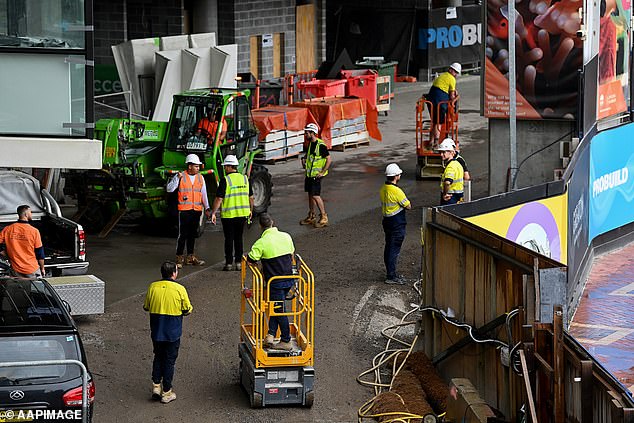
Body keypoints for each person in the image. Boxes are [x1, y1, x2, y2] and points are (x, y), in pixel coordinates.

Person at [143, 261, 193, 404]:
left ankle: (156, 386)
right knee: (169, 361)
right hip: (173, 332)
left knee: (158, 356)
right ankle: (167, 392)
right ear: (174, 273)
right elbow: (187, 309)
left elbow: (146, 306)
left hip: (157, 330)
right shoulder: (180, 289)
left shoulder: (153, 287)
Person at [247, 213, 296, 351]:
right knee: (276, 307)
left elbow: (251, 259)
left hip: (275, 283)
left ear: (261, 226)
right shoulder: (286, 236)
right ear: (272, 222)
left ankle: (286, 340)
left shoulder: (261, 243)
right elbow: (292, 254)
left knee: (279, 310)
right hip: (289, 280)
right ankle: (270, 334)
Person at [166, 154, 211, 268]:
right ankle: (179, 257)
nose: (198, 168)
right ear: (189, 166)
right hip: (184, 211)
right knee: (183, 234)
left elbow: (204, 194)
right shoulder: (181, 176)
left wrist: (207, 208)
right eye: (196, 166)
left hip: (196, 210)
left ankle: (190, 256)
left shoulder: (201, 178)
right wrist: (176, 178)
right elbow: (169, 189)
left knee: (192, 234)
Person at [210, 155, 254, 271]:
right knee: (239, 238)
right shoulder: (245, 179)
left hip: (228, 216)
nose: (225, 169)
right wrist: (251, 210)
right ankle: (238, 263)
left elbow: (219, 198)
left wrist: (213, 213)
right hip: (242, 214)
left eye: (226, 167)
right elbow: (251, 197)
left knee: (229, 239)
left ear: (230, 167)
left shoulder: (225, 180)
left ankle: (229, 263)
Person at [380, 164, 411, 285]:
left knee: (389, 247)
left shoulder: (383, 188)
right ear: (396, 176)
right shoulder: (397, 191)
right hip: (397, 223)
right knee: (394, 249)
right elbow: (408, 206)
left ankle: (390, 272)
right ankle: (391, 276)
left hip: (387, 221)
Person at [299, 123, 332, 228]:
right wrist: (304, 161)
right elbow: (310, 157)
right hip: (309, 175)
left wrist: (322, 172)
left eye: (307, 132)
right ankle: (311, 215)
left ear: (312, 133)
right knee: (310, 195)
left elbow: (329, 160)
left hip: (316, 176)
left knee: (316, 196)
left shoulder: (320, 145)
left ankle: (324, 216)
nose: (305, 134)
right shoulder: (310, 144)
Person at [0, 205, 45, 278]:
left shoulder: (8, 229)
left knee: (19, 289)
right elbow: (40, 253)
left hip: (15, 270)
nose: (31, 214)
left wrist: (7, 255)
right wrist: (42, 268)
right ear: (26, 214)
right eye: (30, 212)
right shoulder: (34, 231)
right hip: (31, 270)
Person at [427, 63, 461, 146]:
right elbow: (452, 96)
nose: (455, 74)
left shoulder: (442, 76)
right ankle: (436, 142)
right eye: (455, 72)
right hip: (440, 101)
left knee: (434, 121)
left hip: (430, 99)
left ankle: (431, 142)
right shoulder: (452, 79)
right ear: (451, 70)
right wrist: (455, 99)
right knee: (439, 122)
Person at [437, 139, 465, 205]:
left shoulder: (451, 166)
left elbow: (447, 182)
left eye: (444, 152)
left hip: (449, 197)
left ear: (451, 152)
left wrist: (445, 194)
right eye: (440, 152)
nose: (441, 155)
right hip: (458, 196)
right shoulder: (457, 164)